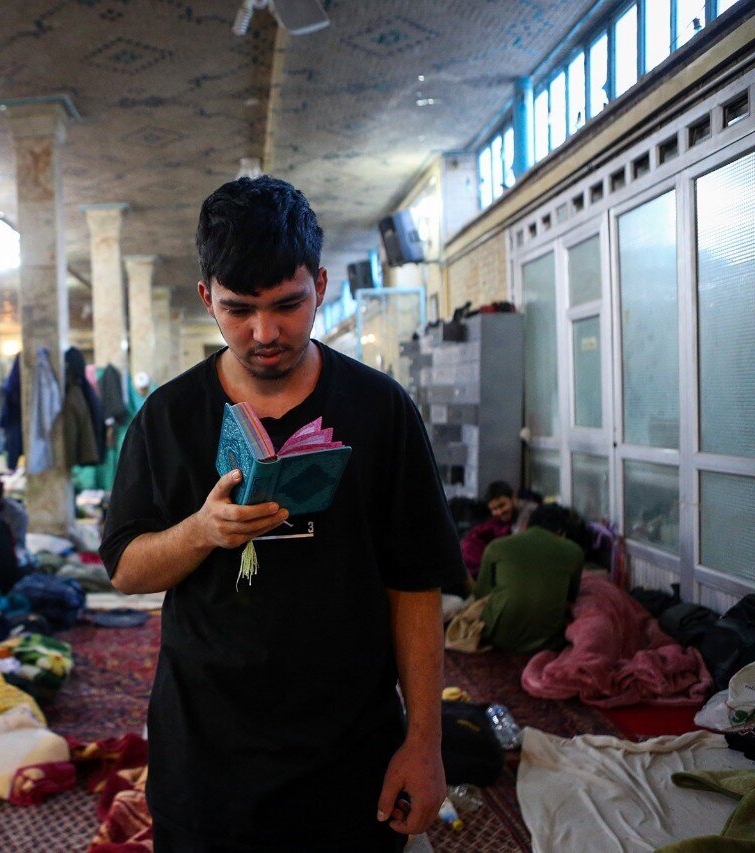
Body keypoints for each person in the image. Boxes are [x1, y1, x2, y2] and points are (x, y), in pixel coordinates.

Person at [100, 176, 460, 850]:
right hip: (206, 754)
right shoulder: (169, 417)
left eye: (288, 304)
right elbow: (125, 569)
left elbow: (415, 584)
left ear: (320, 284)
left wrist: (425, 742)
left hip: (348, 749)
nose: (265, 332)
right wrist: (202, 531)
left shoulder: (381, 410)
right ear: (207, 297)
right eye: (238, 309)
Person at [474, 503, 585, 654]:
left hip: (497, 637)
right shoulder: (575, 552)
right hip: (549, 641)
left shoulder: (496, 547)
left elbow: (481, 594)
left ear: (525, 526)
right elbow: (571, 598)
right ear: (561, 532)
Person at [461, 481, 538, 578]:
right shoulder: (498, 521)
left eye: (502, 506)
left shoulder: (530, 513)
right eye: (494, 509)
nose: (499, 512)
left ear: (514, 498)